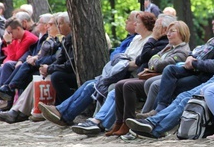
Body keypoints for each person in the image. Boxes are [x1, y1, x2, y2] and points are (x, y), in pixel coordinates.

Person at [125, 14, 214, 139]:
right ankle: (152, 123)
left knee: (184, 97)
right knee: (180, 94)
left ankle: (154, 126)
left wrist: (197, 63)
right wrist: (194, 58)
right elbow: (209, 55)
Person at [39, 12, 167, 128]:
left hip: (127, 74)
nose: (134, 24)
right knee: (89, 84)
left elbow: (139, 61)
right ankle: (62, 112)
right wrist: (123, 60)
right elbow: (119, 54)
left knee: (94, 86)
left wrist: (123, 61)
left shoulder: (150, 40)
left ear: (145, 25)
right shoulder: (135, 39)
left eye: (137, 22)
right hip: (118, 70)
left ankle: (67, 115)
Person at [138, 10, 214, 118]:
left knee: (160, 85)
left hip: (205, 73)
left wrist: (195, 63)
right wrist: (191, 56)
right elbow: (197, 51)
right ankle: (157, 112)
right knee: (169, 70)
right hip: (194, 68)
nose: (168, 34)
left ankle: (156, 117)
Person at [106, 21, 191, 136]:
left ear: (182, 33)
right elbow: (152, 59)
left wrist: (155, 62)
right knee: (120, 84)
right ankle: (120, 122)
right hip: (152, 76)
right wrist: (155, 62)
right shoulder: (169, 47)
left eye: (172, 31)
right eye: (168, 31)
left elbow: (158, 65)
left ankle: (133, 123)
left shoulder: (182, 51)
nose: (168, 34)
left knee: (128, 86)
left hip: (159, 79)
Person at [0, 14, 62, 103]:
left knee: (11, 66)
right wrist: (22, 60)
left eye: (50, 24)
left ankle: (6, 95)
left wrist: (9, 43)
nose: (47, 26)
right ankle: (2, 94)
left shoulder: (31, 38)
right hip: (30, 62)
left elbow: (14, 56)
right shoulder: (45, 37)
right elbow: (28, 52)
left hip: (41, 65)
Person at [0, 17, 38, 110]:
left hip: (23, 64)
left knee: (6, 66)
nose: (9, 35)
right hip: (16, 63)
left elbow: (16, 57)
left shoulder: (28, 39)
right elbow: (9, 57)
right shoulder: (16, 38)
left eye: (10, 32)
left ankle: (4, 99)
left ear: (18, 29)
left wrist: (8, 42)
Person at [39, 12, 77, 104]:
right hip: (69, 71)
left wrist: (50, 68)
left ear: (70, 25)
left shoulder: (75, 40)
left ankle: (68, 105)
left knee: (57, 76)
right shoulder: (65, 39)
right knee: (52, 73)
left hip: (77, 74)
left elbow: (71, 65)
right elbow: (60, 59)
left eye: (60, 23)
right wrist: (47, 68)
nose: (58, 26)